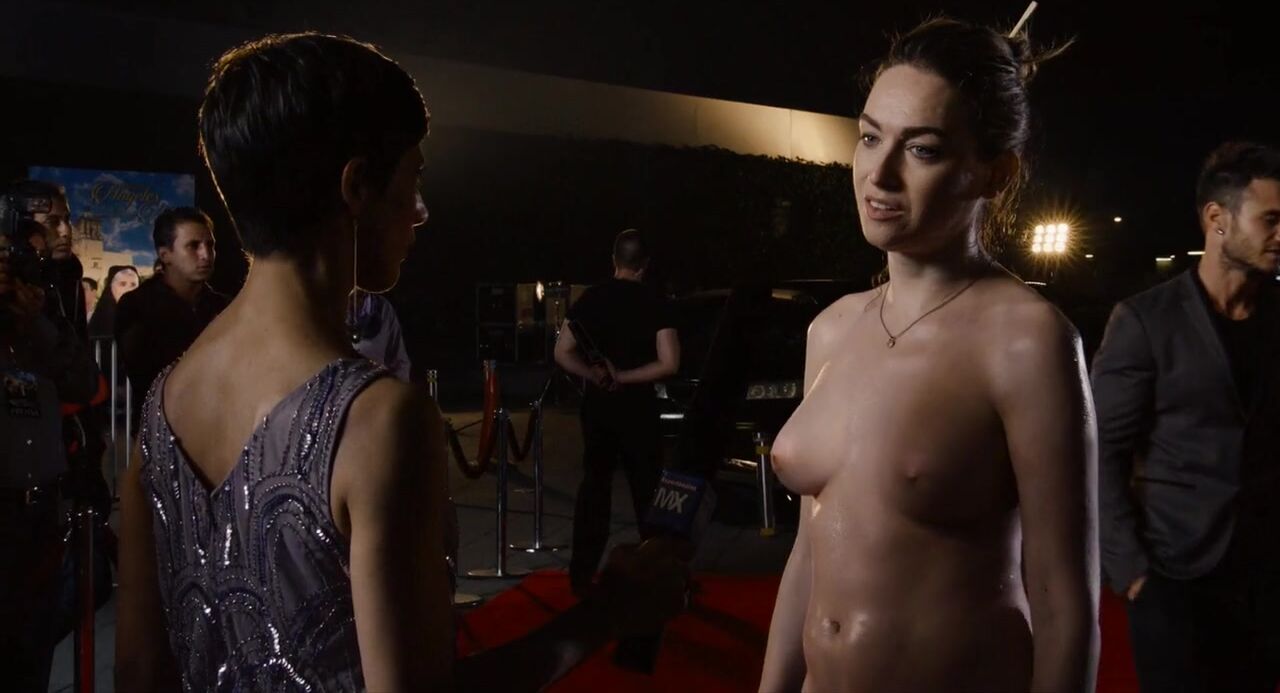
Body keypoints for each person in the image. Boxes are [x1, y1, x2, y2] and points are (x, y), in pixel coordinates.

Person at [115, 33, 684, 692]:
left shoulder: (162, 407)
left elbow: (138, 673)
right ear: (356, 186)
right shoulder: (376, 418)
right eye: (413, 179)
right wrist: (606, 614)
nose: (420, 211)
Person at [759, 18, 1098, 693]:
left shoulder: (1026, 339)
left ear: (994, 173)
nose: (878, 174)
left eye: (922, 149)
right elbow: (809, 555)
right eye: (869, 137)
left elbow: (1064, 602)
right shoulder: (831, 329)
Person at [1092, 141, 1280, 692]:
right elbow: (1100, 451)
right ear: (1217, 219)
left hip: (1266, 584)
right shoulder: (1145, 321)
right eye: (1271, 220)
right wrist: (1130, 570)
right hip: (1173, 581)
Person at [553, 228, 681, 596]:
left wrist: (595, 375)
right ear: (645, 264)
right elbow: (669, 362)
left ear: (614, 260)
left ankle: (581, 573)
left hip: (599, 407)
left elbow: (562, 352)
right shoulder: (655, 301)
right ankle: (657, 572)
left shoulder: (591, 299)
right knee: (648, 491)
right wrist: (624, 376)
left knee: (594, 487)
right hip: (639, 407)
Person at [1, 227, 100, 692]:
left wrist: (37, 320)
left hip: (39, 516)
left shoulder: (42, 315)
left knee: (31, 656)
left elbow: (84, 383)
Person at [114, 207, 227, 421]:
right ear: (165, 255)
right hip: (161, 427)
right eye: (193, 246)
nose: (206, 254)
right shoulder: (137, 306)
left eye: (210, 245)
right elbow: (146, 376)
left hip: (217, 425)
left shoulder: (224, 307)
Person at [86, 264, 139, 338]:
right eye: (122, 284)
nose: (129, 289)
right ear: (111, 287)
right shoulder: (101, 320)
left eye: (133, 285)